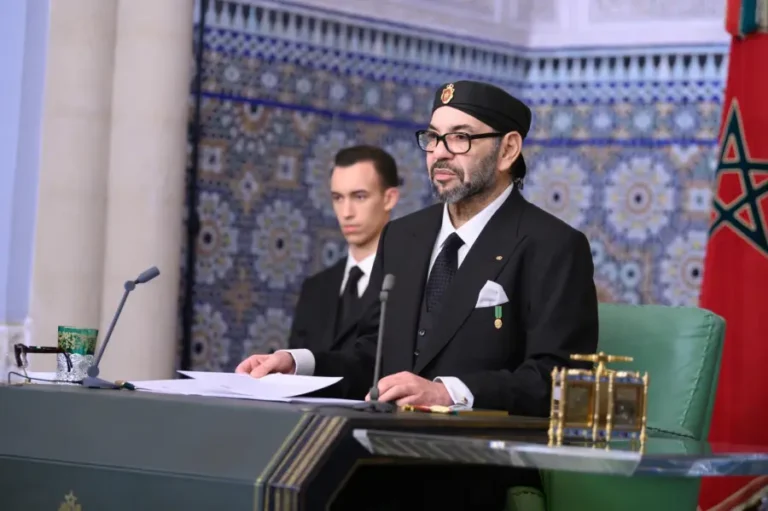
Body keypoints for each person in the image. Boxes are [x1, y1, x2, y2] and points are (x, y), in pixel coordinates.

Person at [237, 80, 599, 510]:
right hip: (379, 452)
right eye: (432, 138)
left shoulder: (553, 245)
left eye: (460, 138)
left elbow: (560, 381)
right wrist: (298, 364)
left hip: (474, 462)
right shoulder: (403, 236)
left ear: (508, 150)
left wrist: (447, 394)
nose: (439, 153)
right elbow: (374, 355)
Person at [285, 145, 400, 354]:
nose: (346, 212)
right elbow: (296, 368)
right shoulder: (315, 288)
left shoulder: (410, 284)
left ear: (389, 199)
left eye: (359, 196)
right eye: (338, 198)